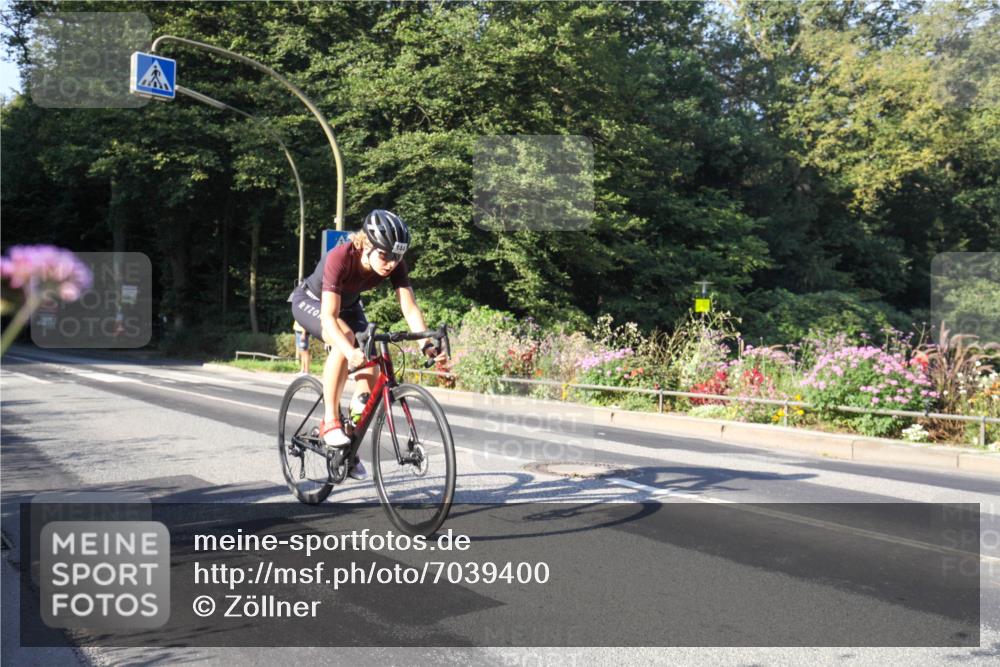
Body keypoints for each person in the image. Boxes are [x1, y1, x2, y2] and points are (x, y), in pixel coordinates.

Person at [289, 209, 446, 480]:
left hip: (349, 306)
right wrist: (349, 351)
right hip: (312, 302)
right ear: (366, 245)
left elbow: (409, 307)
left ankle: (349, 439)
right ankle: (330, 421)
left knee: (371, 360)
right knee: (346, 339)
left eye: (397, 257)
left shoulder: (394, 263)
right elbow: (329, 317)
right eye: (385, 255)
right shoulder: (340, 257)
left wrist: (426, 343)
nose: (391, 263)